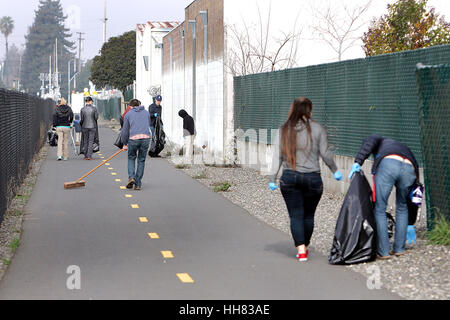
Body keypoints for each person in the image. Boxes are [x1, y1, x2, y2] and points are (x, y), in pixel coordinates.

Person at [269, 97, 343, 262]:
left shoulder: (284, 130)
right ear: (309, 110)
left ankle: (301, 250)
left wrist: (272, 178)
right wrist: (335, 170)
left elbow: (277, 157)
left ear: (292, 109)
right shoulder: (318, 129)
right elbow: (325, 153)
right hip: (313, 178)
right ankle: (305, 244)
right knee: (309, 216)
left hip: (289, 177)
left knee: (295, 215)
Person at [348, 134, 419, 260]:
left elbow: (368, 143)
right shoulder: (402, 147)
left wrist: (358, 161)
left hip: (388, 165)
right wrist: (410, 222)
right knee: (402, 206)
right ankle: (399, 249)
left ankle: (383, 251)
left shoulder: (376, 138)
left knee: (380, 208)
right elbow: (414, 195)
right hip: (410, 167)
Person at [121, 100, 151, 191]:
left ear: (130, 106)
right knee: (141, 160)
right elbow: (148, 124)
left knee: (131, 158)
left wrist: (124, 143)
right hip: (146, 138)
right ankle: (138, 184)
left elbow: (125, 131)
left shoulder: (128, 114)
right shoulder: (146, 113)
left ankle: (131, 177)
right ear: (139, 105)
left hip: (133, 139)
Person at [80, 96, 99, 160]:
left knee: (85, 141)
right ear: (90, 101)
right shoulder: (94, 109)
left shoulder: (82, 109)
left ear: (85, 102)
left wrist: (82, 124)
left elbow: (82, 119)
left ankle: (85, 155)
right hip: (92, 126)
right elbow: (96, 117)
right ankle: (89, 155)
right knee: (91, 141)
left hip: (84, 126)